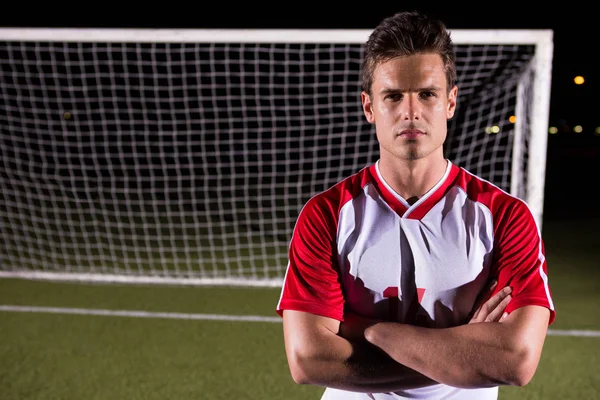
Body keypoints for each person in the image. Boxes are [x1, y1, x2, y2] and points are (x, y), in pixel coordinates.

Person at [275, 9, 556, 400]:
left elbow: (514, 361)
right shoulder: (326, 215)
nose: (411, 112)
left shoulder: (505, 217)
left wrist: (368, 330)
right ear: (369, 107)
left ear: (451, 102)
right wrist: (462, 352)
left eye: (427, 93)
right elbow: (309, 360)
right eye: (393, 96)